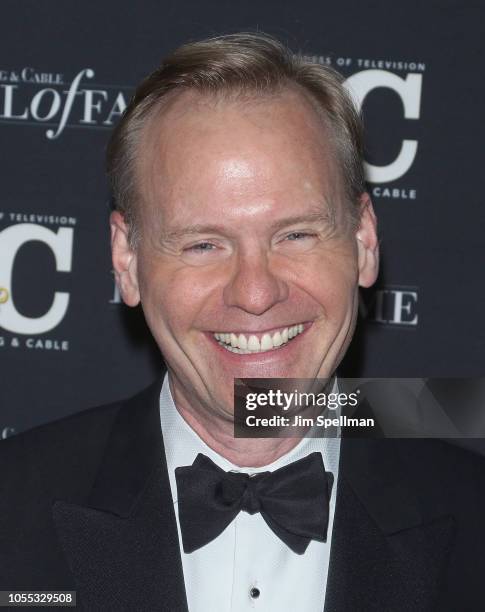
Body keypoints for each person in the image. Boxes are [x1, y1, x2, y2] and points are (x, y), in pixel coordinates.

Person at [1, 33, 484, 611]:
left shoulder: (471, 512)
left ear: (364, 240)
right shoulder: (12, 508)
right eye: (203, 244)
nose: (256, 293)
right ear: (126, 261)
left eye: (296, 234)